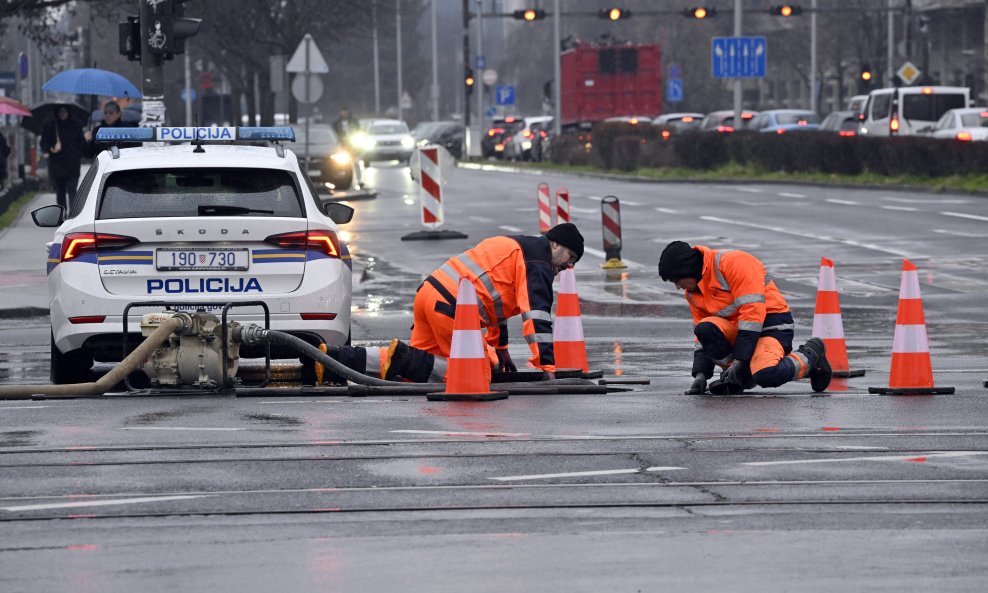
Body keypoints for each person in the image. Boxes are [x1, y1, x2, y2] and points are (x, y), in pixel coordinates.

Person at [325, 223, 585, 384]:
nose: (569, 265)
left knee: (419, 368)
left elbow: (497, 305)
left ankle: (336, 360)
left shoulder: (520, 247)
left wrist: (501, 347)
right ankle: (401, 359)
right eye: (570, 256)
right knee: (475, 372)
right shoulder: (538, 263)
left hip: (431, 296)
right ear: (555, 243)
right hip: (452, 309)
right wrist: (547, 367)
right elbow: (536, 317)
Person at [658, 241, 832, 395]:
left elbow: (752, 314)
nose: (678, 287)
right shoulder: (693, 293)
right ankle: (739, 377)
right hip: (742, 333)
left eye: (677, 281)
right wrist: (700, 375)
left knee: (765, 374)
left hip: (771, 325)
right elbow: (702, 338)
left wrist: (740, 361)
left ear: (688, 270)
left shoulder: (733, 262)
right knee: (705, 328)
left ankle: (810, 357)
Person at [40, 106, 86, 211]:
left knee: (72, 189)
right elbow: (43, 144)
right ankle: (62, 213)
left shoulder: (75, 126)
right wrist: (51, 148)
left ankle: (73, 215)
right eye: (60, 111)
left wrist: (84, 144)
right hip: (57, 166)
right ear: (57, 113)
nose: (63, 113)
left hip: (72, 165)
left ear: (69, 112)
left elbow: (82, 145)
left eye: (65, 111)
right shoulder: (50, 126)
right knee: (60, 191)